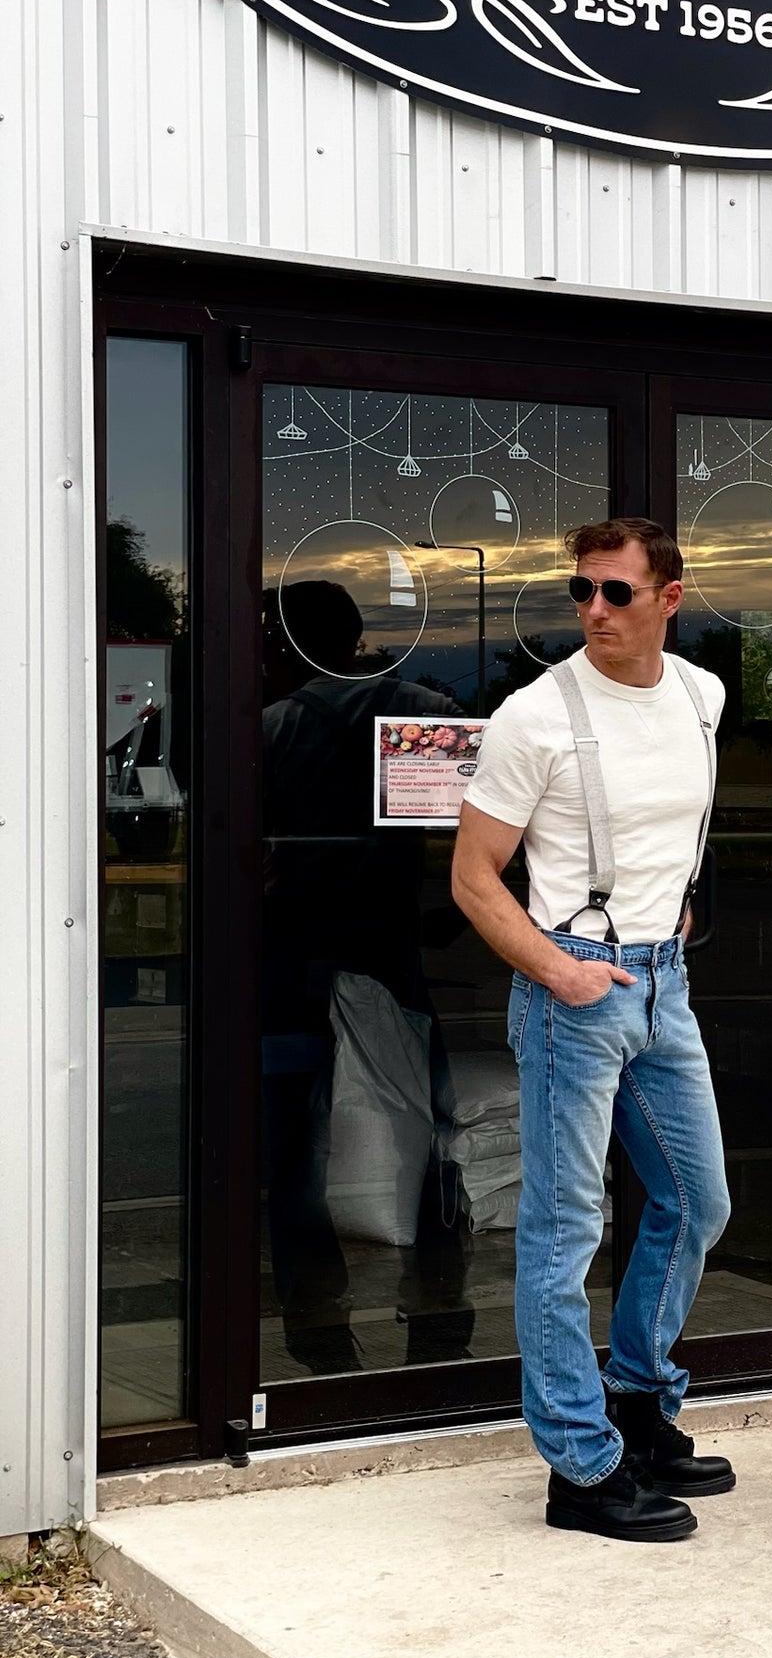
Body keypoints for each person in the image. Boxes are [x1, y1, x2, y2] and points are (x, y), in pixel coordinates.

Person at [452, 518, 733, 1543]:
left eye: (616, 591)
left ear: (669, 595)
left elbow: (680, 832)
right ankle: (579, 1465)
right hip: (576, 989)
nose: (594, 611)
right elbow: (471, 877)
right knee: (562, 1232)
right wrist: (560, 971)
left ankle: (639, 1400)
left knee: (696, 1201)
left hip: (664, 984)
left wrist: (681, 915)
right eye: (581, 591)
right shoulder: (537, 715)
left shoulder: (699, 696)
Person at [261, 580, 474, 1376]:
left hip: (292, 969)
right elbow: (478, 836)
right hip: (393, 960)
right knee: (422, 1134)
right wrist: (446, 919)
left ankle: (318, 1336)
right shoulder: (419, 709)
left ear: (285, 646)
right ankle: (439, 1325)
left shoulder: (272, 730)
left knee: (295, 1155)